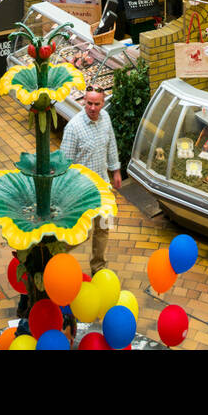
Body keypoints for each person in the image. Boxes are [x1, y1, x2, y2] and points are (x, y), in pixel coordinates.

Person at [60, 86, 122, 276]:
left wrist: (116, 170)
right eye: (89, 103)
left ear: (103, 103)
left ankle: (98, 267)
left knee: (104, 228)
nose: (93, 108)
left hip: (104, 187)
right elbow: (64, 163)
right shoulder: (73, 127)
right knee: (83, 234)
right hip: (81, 193)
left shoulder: (106, 119)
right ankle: (54, 253)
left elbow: (111, 144)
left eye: (97, 104)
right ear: (83, 102)